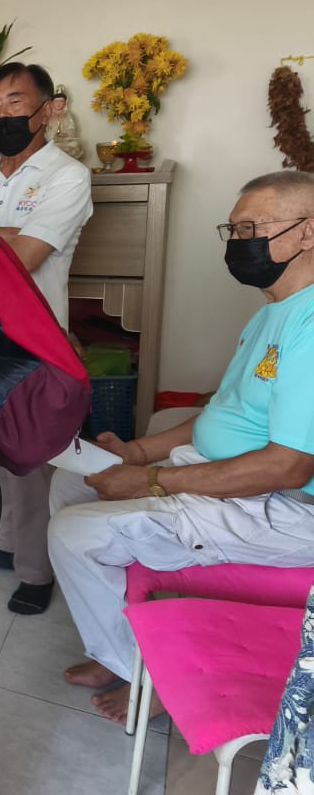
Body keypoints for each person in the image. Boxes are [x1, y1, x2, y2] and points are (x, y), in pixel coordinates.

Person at [48, 170, 314, 723]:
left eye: (252, 228)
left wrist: (152, 482)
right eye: (233, 229)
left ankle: (144, 677)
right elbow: (222, 413)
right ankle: (115, 648)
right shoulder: (271, 312)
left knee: (75, 531)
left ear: (307, 232)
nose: (238, 242)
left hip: (282, 510)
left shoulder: (310, 324)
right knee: (71, 484)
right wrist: (138, 454)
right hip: (230, 477)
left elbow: (288, 467)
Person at [0, 62, 93, 614]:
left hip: (31, 342)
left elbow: (28, 256)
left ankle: (36, 571)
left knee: (32, 458)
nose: (3, 114)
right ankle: (6, 543)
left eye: (15, 102)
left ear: (49, 109)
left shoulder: (67, 176)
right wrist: (0, 237)